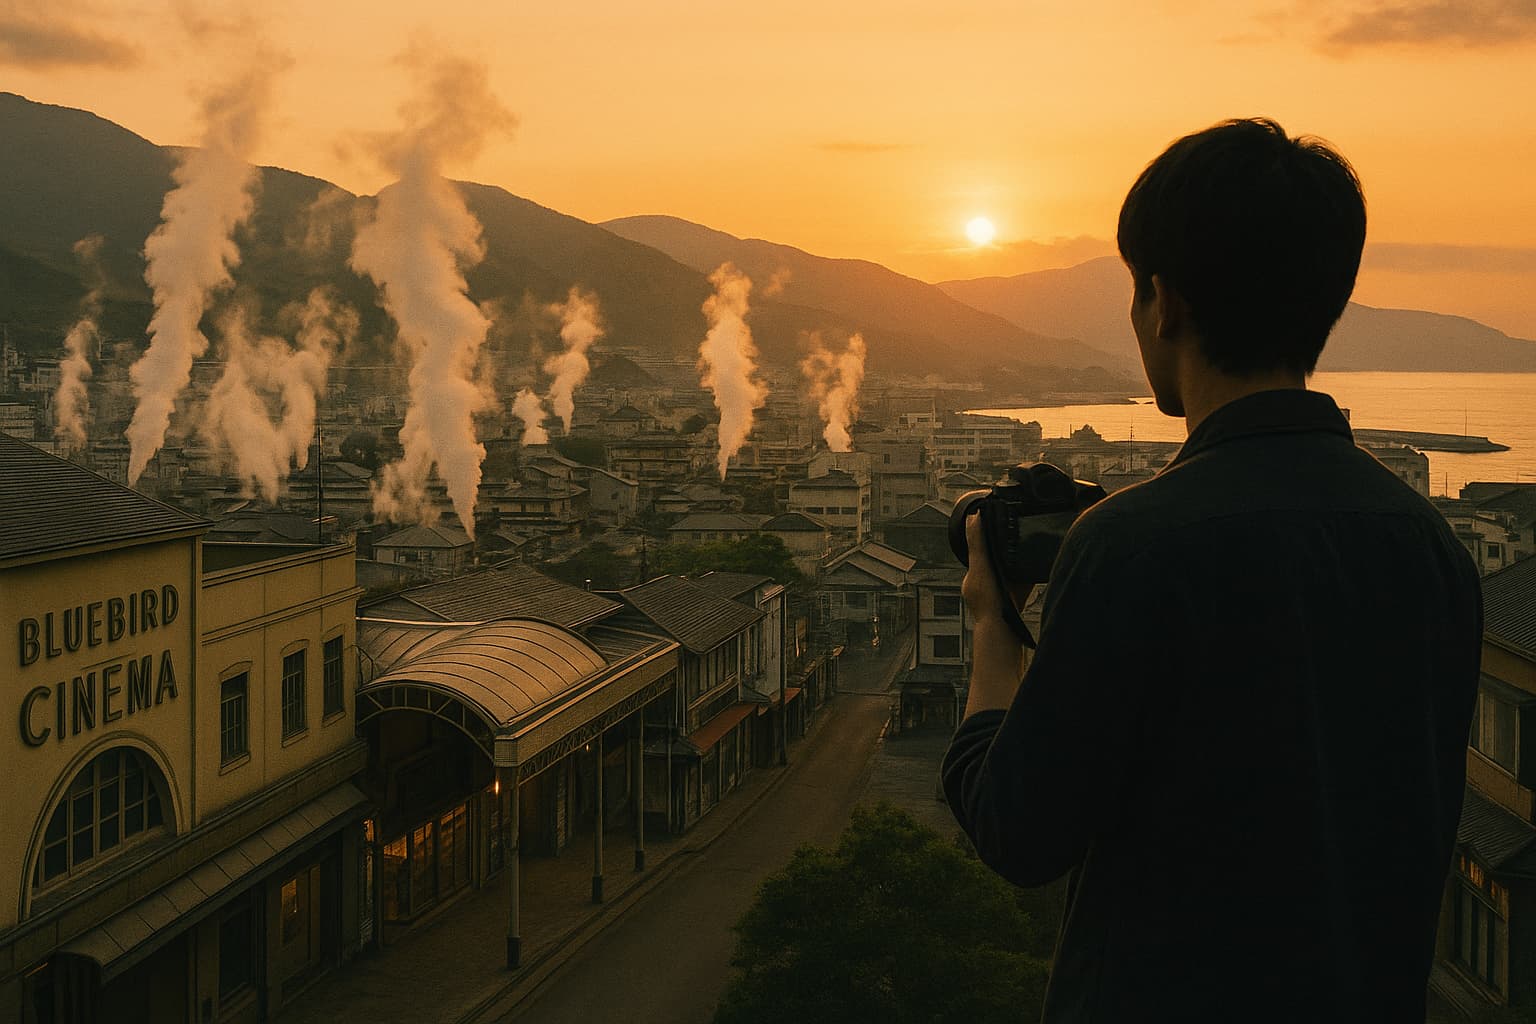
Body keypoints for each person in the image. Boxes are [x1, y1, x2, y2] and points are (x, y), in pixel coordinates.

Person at [941, 118, 1482, 1022]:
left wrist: (995, 627)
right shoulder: (1429, 546)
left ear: (1165, 303)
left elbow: (1015, 831)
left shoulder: (1135, 544)